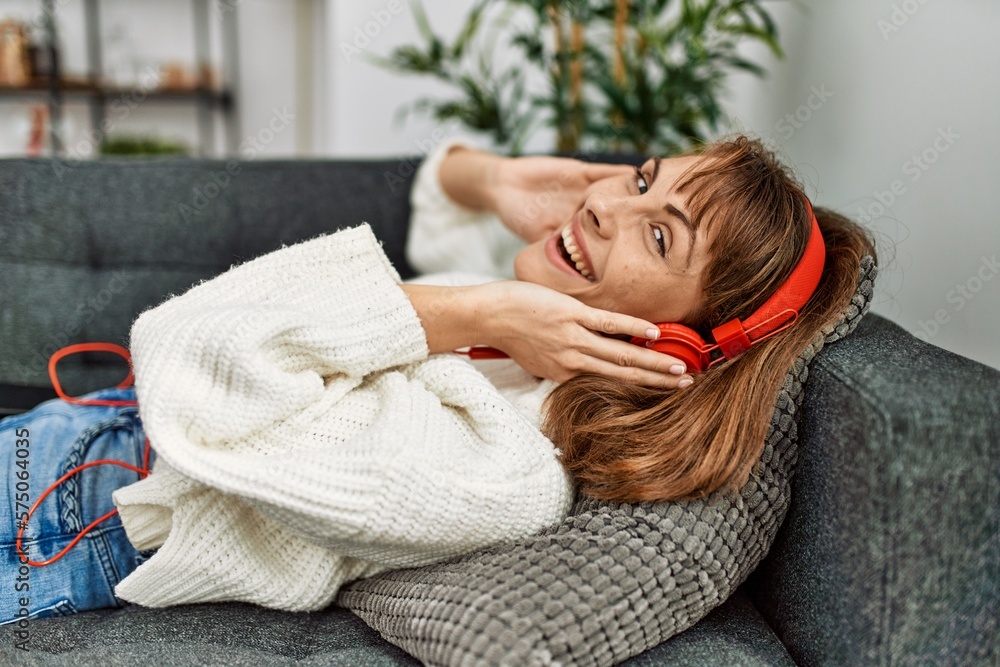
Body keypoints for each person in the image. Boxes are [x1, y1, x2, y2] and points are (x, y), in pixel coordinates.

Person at [1, 133, 876, 626]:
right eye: (643, 178)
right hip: (74, 435)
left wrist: (477, 312)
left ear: (682, 351)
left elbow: (193, 355)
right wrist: (494, 179)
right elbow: (442, 196)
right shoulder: (511, 328)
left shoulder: (505, 472)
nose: (609, 201)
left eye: (659, 235)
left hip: (86, 512)